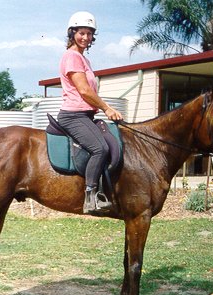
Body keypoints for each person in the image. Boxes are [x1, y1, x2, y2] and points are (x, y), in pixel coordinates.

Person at [57, 11, 123, 214]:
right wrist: (107, 108)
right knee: (100, 149)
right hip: (73, 115)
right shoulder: (72, 57)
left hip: (86, 115)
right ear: (72, 33)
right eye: (81, 33)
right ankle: (90, 197)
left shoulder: (83, 59)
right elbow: (84, 90)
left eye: (89, 33)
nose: (85, 37)